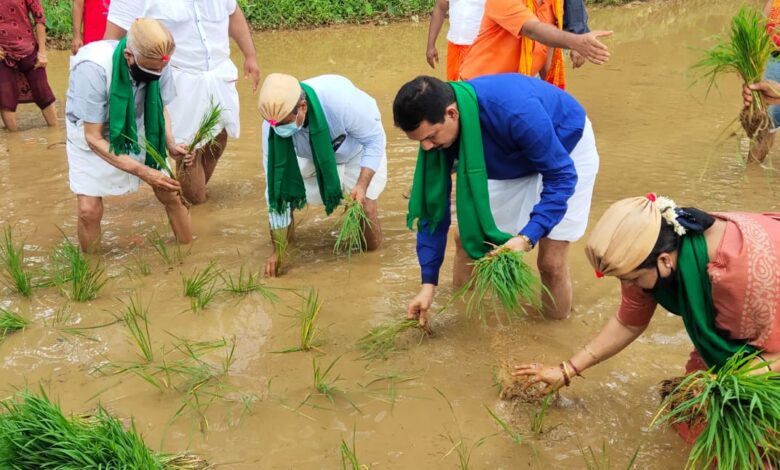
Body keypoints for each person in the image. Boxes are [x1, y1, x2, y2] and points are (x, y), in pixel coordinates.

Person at [514, 194, 780, 443]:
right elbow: (628, 322)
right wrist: (566, 370)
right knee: (687, 414)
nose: (629, 287)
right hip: (744, 312)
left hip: (766, 300)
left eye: (632, 279)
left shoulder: (739, 274)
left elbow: (774, 355)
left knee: (756, 436)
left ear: (665, 262)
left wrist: (719, 385)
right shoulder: (653, 251)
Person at [393, 74, 600, 322]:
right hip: (508, 157)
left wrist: (527, 237)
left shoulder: (515, 111)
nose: (426, 148)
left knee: (551, 263)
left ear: (452, 113)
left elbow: (562, 176)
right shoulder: (438, 138)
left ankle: (554, 331)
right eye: (420, 141)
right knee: (467, 240)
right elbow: (432, 208)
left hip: (565, 150)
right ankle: (464, 318)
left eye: (430, 137)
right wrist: (428, 284)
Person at [104, 0, 260, 204]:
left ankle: (189, 200)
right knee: (188, 150)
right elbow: (111, 41)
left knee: (219, 138)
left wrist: (250, 55)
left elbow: (233, 12)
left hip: (220, 76)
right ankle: (194, 206)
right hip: (177, 82)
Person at [65, 18, 192, 252]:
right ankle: (91, 268)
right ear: (128, 56)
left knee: (171, 194)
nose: (158, 74)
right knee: (88, 211)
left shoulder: (159, 59)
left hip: (139, 124)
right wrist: (144, 172)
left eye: (161, 69)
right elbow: (93, 137)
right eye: (151, 70)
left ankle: (189, 254)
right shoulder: (93, 68)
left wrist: (171, 143)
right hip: (92, 133)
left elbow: (160, 106)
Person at [258, 73, 387, 277]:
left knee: (366, 208)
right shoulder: (272, 125)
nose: (277, 130)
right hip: (309, 154)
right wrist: (278, 251)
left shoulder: (343, 103)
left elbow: (374, 141)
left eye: (283, 124)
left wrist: (362, 185)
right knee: (285, 197)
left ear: (303, 107)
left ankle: (371, 263)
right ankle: (287, 251)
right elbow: (275, 187)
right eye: (273, 125)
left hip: (355, 151)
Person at [426, 0, 593, 81]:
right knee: (457, 96)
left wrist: (578, 32)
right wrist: (430, 45)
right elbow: (440, 8)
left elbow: (542, 40)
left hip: (495, 45)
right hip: (463, 47)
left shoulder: (547, 7)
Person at [458, 0, 611, 86]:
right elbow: (533, 30)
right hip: (478, 89)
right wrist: (576, 41)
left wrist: (552, 92)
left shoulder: (553, 3)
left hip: (516, 90)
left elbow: (546, 44)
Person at [0, 0, 56, 131]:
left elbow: (39, 18)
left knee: (44, 94)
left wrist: (42, 52)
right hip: (3, 53)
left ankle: (56, 132)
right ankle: (14, 139)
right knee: (5, 98)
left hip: (28, 48)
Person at [426, 0, 486, 81]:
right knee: (453, 85)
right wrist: (431, 45)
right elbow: (440, 8)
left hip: (480, 48)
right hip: (454, 47)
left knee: (475, 86)